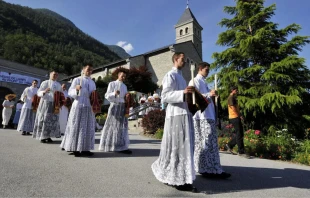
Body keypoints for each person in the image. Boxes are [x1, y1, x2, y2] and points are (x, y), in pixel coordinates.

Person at [151, 52, 197, 192]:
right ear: (176, 59)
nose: (185, 62)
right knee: (178, 145)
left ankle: (183, 176)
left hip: (184, 113)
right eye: (183, 59)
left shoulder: (183, 78)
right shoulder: (170, 75)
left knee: (185, 145)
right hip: (175, 114)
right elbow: (165, 96)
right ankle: (178, 178)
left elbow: (183, 95)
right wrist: (183, 93)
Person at [190, 62, 231, 179]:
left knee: (211, 143)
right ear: (200, 68)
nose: (208, 72)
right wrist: (209, 94)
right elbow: (195, 97)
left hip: (209, 115)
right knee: (204, 143)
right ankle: (205, 168)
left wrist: (213, 95)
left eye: (208, 70)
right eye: (206, 70)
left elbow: (205, 96)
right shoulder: (194, 81)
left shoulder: (203, 81)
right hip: (201, 117)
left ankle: (214, 168)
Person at [60, 64, 96, 157]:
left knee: (87, 126)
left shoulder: (92, 82)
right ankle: (74, 148)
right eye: (88, 69)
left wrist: (94, 100)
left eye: (91, 70)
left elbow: (94, 95)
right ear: (83, 70)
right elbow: (70, 92)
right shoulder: (77, 79)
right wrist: (76, 89)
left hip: (88, 105)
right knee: (76, 125)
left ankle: (85, 149)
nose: (89, 71)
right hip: (78, 103)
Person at [98, 70, 132, 154]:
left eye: (125, 76)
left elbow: (124, 98)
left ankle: (121, 146)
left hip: (122, 107)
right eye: (122, 76)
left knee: (121, 126)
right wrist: (114, 93)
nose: (123, 77)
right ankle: (109, 145)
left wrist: (127, 97)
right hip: (114, 106)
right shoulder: (112, 84)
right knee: (112, 125)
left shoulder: (124, 86)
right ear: (118, 75)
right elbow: (107, 96)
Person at [33, 70, 62, 143]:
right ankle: (42, 136)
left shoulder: (58, 84)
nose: (55, 76)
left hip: (54, 104)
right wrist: (44, 92)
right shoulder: (45, 83)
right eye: (53, 74)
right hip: (45, 103)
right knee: (44, 120)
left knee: (52, 121)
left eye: (56, 75)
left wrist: (60, 102)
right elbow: (38, 92)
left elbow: (61, 94)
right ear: (50, 74)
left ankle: (48, 136)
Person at [226, 86, 249, 158]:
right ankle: (241, 151)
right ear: (232, 90)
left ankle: (229, 145)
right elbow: (233, 108)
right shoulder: (231, 98)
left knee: (240, 134)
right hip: (234, 117)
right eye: (236, 90)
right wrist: (239, 115)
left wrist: (240, 115)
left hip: (236, 117)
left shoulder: (233, 97)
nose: (237, 91)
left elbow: (236, 108)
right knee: (239, 134)